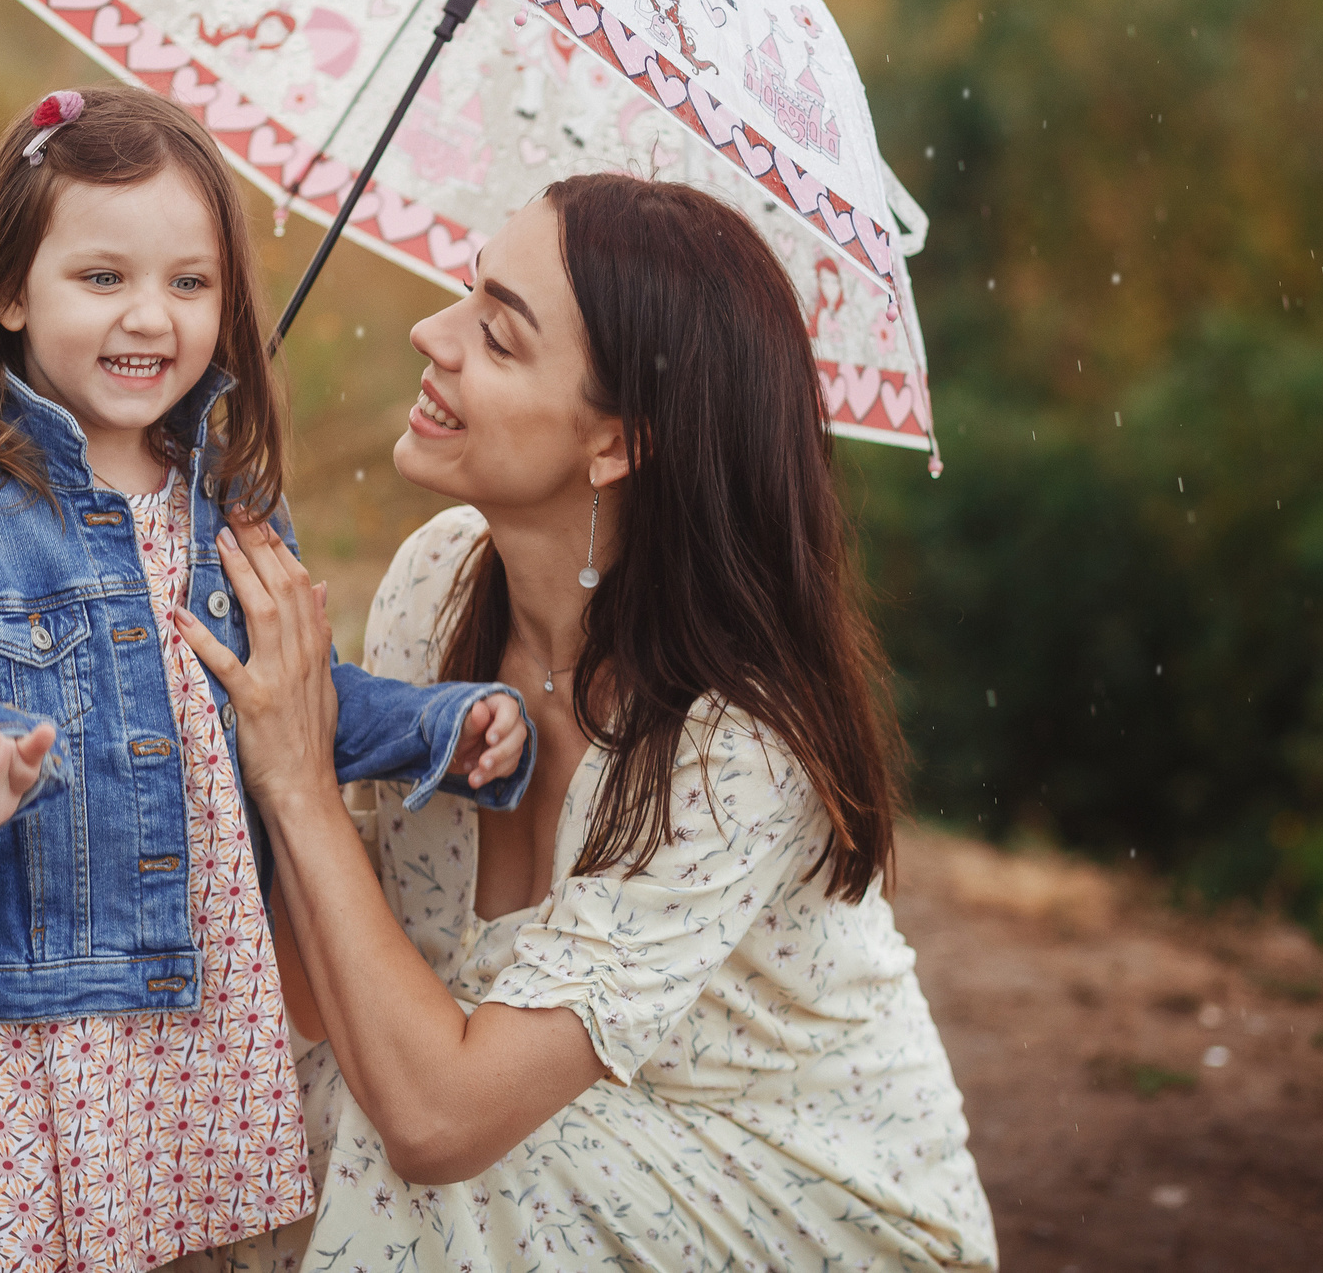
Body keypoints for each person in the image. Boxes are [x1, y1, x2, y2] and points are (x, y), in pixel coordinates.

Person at [179, 172, 998, 1270]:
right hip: (544, 1147)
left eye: (499, 338)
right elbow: (323, 990)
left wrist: (295, 779)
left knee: (410, 1160)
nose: (432, 333)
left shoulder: (735, 746)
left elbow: (440, 1122)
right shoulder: (438, 582)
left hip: (802, 1202)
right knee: (242, 1117)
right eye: (467, 296)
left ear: (617, 443)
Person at [0, 85, 532, 1273]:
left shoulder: (238, 518)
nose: (147, 317)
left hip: (206, 1012)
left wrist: (440, 725)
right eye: (101, 279)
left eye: (188, 284)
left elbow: (300, 705)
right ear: (12, 294)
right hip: (51, 1026)